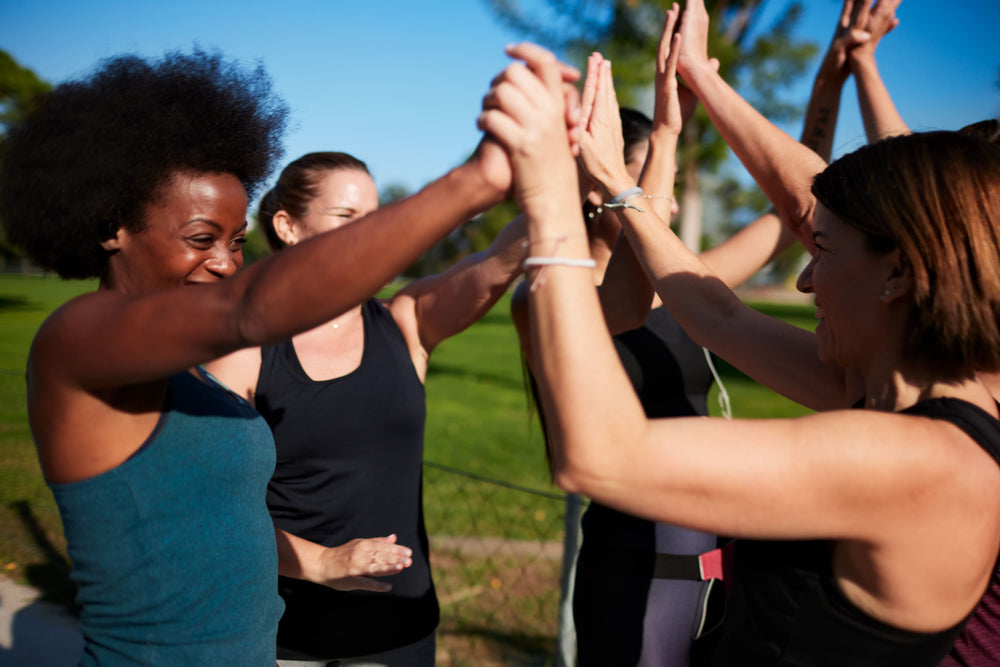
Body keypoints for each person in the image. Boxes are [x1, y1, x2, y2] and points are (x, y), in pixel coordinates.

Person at [477, 1, 1000, 663]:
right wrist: (615, 179)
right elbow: (716, 312)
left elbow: (599, 455)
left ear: (898, 273)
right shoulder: (886, 397)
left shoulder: (922, 461)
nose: (805, 283)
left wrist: (551, 197)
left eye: (826, 252)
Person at [0, 48, 534, 665]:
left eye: (232, 241)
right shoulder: (79, 339)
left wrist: (324, 561)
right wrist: (477, 180)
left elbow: (225, 526)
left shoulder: (194, 375)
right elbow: (247, 308)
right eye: (201, 239)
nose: (226, 262)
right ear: (111, 224)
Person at [510, 40, 805, 664]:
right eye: (649, 182)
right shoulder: (550, 298)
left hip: (727, 570)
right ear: (599, 186)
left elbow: (793, 214)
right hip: (639, 575)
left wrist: (835, 72)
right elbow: (623, 300)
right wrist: (666, 133)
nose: (662, 202)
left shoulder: (685, 290)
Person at [204, 150, 532, 665]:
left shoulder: (405, 322)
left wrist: (564, 181)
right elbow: (212, 508)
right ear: (288, 226)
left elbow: (496, 263)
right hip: (281, 635)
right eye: (345, 217)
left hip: (399, 630)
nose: (367, 234)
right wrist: (324, 561)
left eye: (374, 219)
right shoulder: (243, 349)